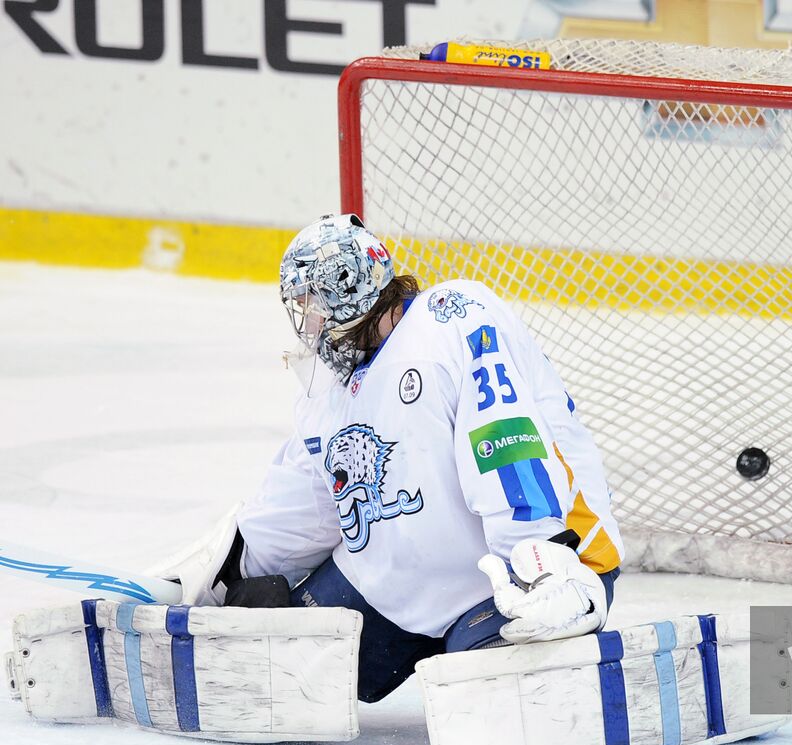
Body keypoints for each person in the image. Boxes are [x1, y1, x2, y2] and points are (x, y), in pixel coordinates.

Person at [216, 213, 625, 702]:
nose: (309, 323)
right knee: (289, 672)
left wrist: (544, 562)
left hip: (521, 567)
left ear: (348, 294)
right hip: (399, 579)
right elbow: (309, 503)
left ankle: (564, 608)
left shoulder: (451, 320)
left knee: (490, 701)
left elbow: (506, 440)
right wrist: (224, 572)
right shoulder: (327, 390)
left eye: (313, 305)